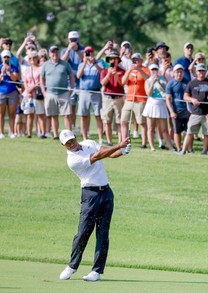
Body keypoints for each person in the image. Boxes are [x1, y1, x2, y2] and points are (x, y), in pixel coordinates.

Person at [58, 129, 131, 282]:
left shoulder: (89, 143)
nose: (71, 144)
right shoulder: (73, 160)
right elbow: (97, 157)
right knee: (83, 232)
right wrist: (119, 144)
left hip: (106, 192)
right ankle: (72, 266)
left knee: (103, 233)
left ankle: (96, 271)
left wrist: (123, 151)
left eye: (72, 140)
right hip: (90, 195)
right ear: (63, 146)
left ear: (75, 137)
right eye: (67, 143)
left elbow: (106, 153)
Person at [41, 45, 74, 139]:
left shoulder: (65, 64)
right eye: (53, 52)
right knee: (53, 115)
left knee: (67, 115)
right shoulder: (46, 64)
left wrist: (71, 88)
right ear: (49, 53)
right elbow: (42, 78)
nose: (55, 54)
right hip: (50, 93)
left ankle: (70, 135)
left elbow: (71, 76)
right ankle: (56, 135)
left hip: (63, 93)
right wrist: (44, 91)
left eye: (56, 52)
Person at [180, 63, 208, 155]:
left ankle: (204, 151)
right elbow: (185, 96)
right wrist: (192, 99)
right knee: (189, 132)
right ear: (196, 71)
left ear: (206, 71)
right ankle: (183, 150)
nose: (201, 72)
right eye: (199, 71)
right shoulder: (192, 83)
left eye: (203, 70)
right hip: (195, 113)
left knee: (207, 133)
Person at [121, 52, 150, 148]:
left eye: (137, 60)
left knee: (142, 122)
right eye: (134, 60)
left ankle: (144, 143)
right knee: (124, 120)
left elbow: (148, 79)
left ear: (141, 61)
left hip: (141, 100)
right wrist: (129, 70)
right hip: (129, 99)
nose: (135, 61)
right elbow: (123, 82)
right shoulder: (129, 70)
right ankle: (124, 142)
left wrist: (139, 70)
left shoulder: (145, 69)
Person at [143, 63, 174, 151]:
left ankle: (171, 147)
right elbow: (148, 94)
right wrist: (152, 83)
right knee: (150, 127)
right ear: (150, 71)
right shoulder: (147, 81)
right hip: (151, 103)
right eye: (152, 70)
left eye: (156, 69)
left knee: (164, 128)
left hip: (161, 104)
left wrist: (159, 82)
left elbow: (166, 90)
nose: (154, 71)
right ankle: (152, 147)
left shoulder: (162, 79)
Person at [76, 46, 104, 141]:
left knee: (98, 116)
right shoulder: (81, 64)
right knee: (84, 116)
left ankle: (100, 138)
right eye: (87, 53)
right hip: (84, 92)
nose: (89, 54)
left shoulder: (99, 62)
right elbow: (78, 76)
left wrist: (94, 63)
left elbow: (102, 72)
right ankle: (85, 138)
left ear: (93, 53)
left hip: (96, 92)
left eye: (90, 52)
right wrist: (84, 63)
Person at [61, 31, 85, 132]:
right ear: (68, 40)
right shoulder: (65, 50)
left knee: (82, 110)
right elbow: (62, 61)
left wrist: (76, 51)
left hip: (81, 83)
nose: (73, 41)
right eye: (71, 40)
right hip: (69, 83)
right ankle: (72, 127)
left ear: (78, 39)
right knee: (70, 108)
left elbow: (85, 60)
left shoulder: (83, 49)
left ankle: (84, 129)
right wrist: (69, 50)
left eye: (75, 39)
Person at [100, 51, 125, 146]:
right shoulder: (104, 71)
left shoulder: (122, 71)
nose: (113, 61)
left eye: (115, 59)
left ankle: (120, 141)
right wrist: (109, 74)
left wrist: (116, 75)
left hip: (118, 98)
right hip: (107, 98)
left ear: (118, 60)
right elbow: (103, 83)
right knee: (107, 121)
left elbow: (122, 83)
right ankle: (110, 142)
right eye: (111, 59)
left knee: (119, 121)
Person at [166, 64, 189, 152]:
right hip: (176, 110)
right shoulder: (170, 84)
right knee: (177, 130)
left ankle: (188, 149)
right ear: (174, 73)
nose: (179, 74)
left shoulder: (187, 82)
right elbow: (168, 99)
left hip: (187, 110)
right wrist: (171, 111)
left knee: (188, 131)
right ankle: (179, 148)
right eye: (177, 72)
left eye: (181, 72)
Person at [22, 50, 45, 138]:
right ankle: (29, 134)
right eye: (30, 58)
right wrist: (27, 90)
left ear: (37, 58)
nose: (32, 59)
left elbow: (41, 82)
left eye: (34, 57)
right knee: (29, 115)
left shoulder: (41, 68)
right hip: (29, 95)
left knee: (40, 114)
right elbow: (25, 81)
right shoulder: (27, 70)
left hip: (38, 95)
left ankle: (42, 133)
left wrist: (33, 86)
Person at [0, 50, 20, 139]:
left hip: (12, 92)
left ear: (10, 58)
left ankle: (12, 132)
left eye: (8, 57)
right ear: (2, 58)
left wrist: (10, 71)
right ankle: (1, 132)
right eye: (4, 57)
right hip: (1, 92)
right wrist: (2, 73)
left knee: (12, 114)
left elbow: (15, 79)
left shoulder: (14, 68)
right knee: (1, 114)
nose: (6, 59)